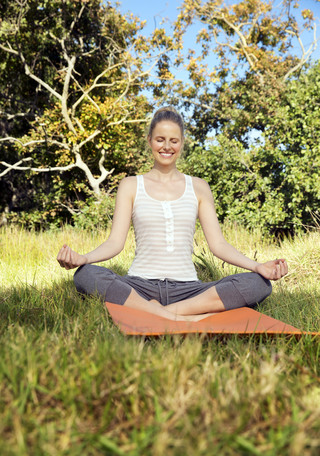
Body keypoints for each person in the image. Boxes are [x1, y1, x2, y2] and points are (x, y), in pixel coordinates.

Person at [57, 107, 288, 322]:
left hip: (189, 290)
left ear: (181, 143)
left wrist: (257, 266)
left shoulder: (198, 187)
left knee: (259, 284)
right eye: (160, 139)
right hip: (139, 287)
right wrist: (83, 259)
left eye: (173, 141)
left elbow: (218, 245)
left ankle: (163, 313)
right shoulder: (130, 185)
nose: (166, 146)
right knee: (85, 275)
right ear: (149, 141)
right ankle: (181, 317)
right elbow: (115, 243)